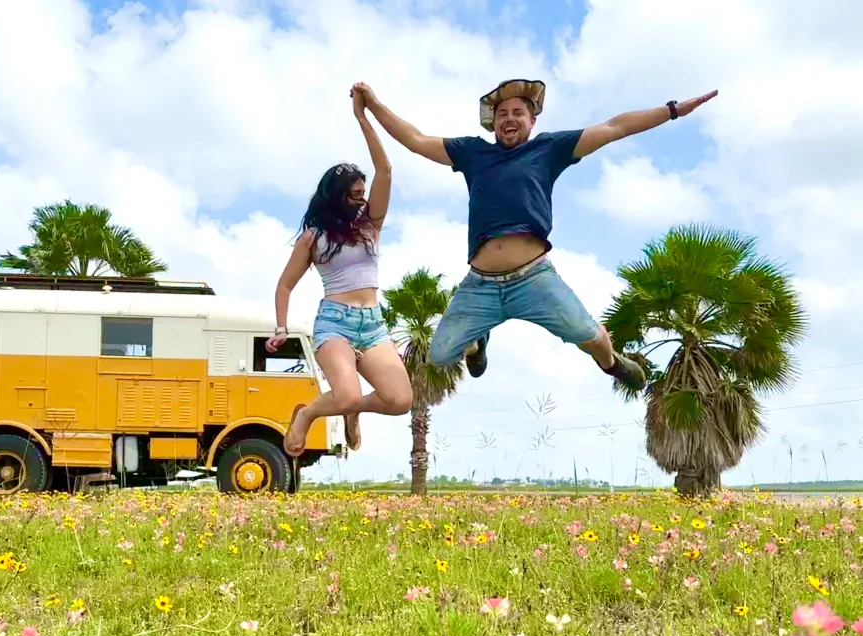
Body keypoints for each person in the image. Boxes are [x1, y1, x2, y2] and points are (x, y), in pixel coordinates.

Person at [353, 79, 718, 391]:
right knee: (440, 353)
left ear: (531, 121)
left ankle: (611, 364)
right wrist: (374, 105)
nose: (509, 119)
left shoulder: (549, 149)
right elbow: (416, 140)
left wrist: (670, 110)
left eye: (517, 113)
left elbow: (614, 127)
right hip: (481, 285)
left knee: (590, 337)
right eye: (502, 115)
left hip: (534, 280)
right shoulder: (472, 153)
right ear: (493, 124)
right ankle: (477, 344)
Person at [267, 88, 412, 458]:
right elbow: (285, 285)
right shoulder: (314, 237)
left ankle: (351, 410)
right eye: (354, 194)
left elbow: (386, 170)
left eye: (364, 193)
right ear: (336, 196)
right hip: (335, 323)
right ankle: (309, 413)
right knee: (345, 395)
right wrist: (281, 327)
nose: (362, 199)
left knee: (400, 400)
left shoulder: (371, 224)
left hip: (374, 324)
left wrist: (363, 119)